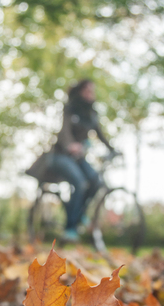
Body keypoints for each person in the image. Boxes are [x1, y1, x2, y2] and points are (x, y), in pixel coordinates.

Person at [27, 79, 120, 242]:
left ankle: (79, 214)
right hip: (60, 155)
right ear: (79, 92)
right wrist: (71, 144)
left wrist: (113, 150)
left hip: (78, 159)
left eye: (92, 91)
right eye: (87, 90)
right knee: (79, 182)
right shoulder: (70, 109)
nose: (91, 94)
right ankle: (70, 228)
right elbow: (64, 131)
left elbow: (101, 134)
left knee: (95, 181)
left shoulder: (92, 114)